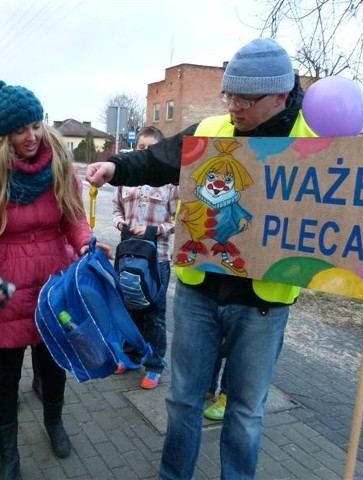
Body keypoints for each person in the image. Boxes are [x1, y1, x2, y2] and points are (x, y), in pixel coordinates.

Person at [86, 38, 316, 479]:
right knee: (184, 400)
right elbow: (157, 160)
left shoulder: (317, 140)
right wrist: (116, 167)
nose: (234, 107)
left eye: (246, 99)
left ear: (281, 96)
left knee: (245, 413)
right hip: (199, 294)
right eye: (229, 95)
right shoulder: (212, 130)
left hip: (263, 303)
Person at [0, 79, 107, 480]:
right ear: (5, 134)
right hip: (5, 288)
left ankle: (54, 424)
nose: (32, 136)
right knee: (5, 375)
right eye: (21, 130)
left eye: (36, 125)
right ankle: (8, 453)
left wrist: (89, 245)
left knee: (54, 366)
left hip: (54, 288)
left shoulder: (58, 165)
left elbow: (74, 220)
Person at [112, 126, 178, 390]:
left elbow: (179, 220)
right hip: (128, 256)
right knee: (129, 309)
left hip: (156, 259)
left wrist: (153, 231)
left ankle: (154, 365)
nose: (145, 153)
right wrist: (120, 225)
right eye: (141, 148)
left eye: (151, 149)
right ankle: (130, 356)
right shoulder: (126, 178)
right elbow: (117, 209)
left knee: (154, 314)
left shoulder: (172, 183)